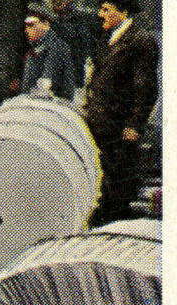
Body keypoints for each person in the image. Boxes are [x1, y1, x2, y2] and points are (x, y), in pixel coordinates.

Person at [84, 0, 159, 226]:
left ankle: (113, 225)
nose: (100, 14)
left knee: (119, 181)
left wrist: (135, 124)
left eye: (106, 9)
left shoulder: (140, 40)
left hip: (119, 127)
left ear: (123, 11)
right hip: (101, 123)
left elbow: (145, 89)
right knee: (103, 179)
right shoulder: (108, 37)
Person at [20, 3, 76, 99]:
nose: (26, 30)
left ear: (46, 25)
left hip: (51, 108)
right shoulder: (37, 46)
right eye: (26, 26)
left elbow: (46, 86)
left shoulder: (57, 47)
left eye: (31, 25)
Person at [52, 0, 97, 94]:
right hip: (57, 80)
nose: (56, 1)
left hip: (77, 81)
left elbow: (89, 50)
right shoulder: (52, 22)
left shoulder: (85, 20)